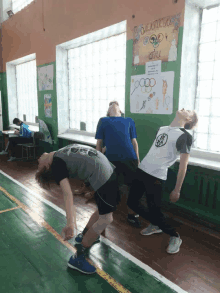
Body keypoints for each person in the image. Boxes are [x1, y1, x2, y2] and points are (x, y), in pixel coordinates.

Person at [36, 143, 119, 274]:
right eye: (39, 166)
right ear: (47, 167)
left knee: (103, 212)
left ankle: (84, 235)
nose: (38, 160)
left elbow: (83, 162)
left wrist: (87, 186)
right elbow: (67, 194)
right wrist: (70, 224)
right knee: (106, 218)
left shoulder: (60, 152)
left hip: (106, 170)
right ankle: (78, 258)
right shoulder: (57, 164)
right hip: (103, 176)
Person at [127, 108, 199, 254]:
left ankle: (174, 236)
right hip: (142, 170)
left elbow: (183, 166)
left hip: (157, 176)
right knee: (131, 202)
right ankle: (155, 225)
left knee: (155, 211)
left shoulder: (185, 136)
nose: (185, 109)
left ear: (189, 120)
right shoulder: (161, 129)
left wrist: (177, 189)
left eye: (189, 111)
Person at [95, 101, 141, 227]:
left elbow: (134, 141)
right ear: (108, 112)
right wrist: (98, 160)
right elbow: (99, 143)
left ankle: (132, 215)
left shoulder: (129, 121)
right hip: (111, 160)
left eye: (116, 104)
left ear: (121, 111)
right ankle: (106, 214)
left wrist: (138, 159)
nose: (113, 105)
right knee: (110, 187)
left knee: (132, 188)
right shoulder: (103, 121)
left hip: (130, 159)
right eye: (110, 105)